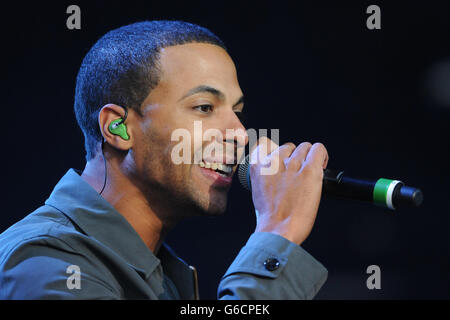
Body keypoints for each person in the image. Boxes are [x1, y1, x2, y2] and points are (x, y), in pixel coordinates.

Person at [0, 20, 329, 299]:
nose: (241, 134)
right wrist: (277, 232)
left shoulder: (162, 276)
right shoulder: (45, 262)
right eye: (204, 107)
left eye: (238, 112)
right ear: (119, 128)